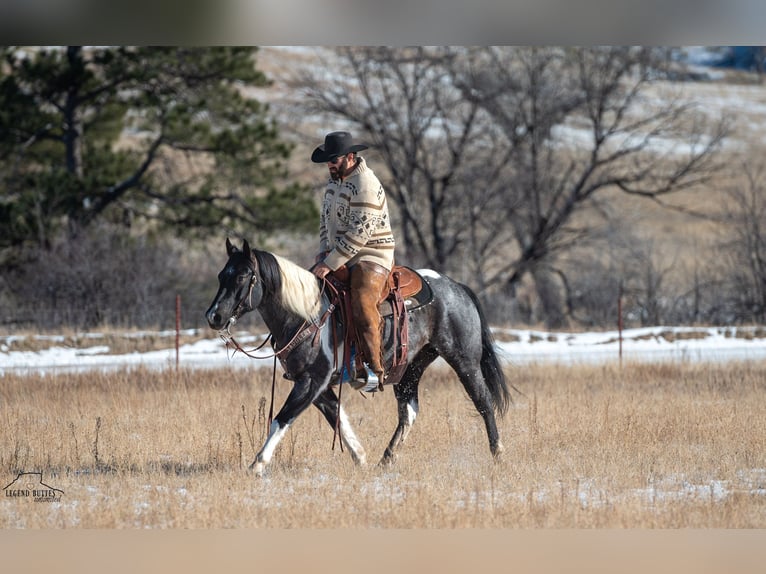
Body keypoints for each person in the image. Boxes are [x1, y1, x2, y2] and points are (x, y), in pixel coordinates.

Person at [310, 131, 396, 388]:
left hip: (372, 252)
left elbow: (361, 231)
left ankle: (373, 368)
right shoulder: (334, 182)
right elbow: (325, 223)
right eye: (327, 160)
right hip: (340, 254)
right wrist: (324, 253)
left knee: (362, 300)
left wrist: (329, 263)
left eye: (333, 159)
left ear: (350, 157)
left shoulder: (366, 184)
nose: (329, 164)